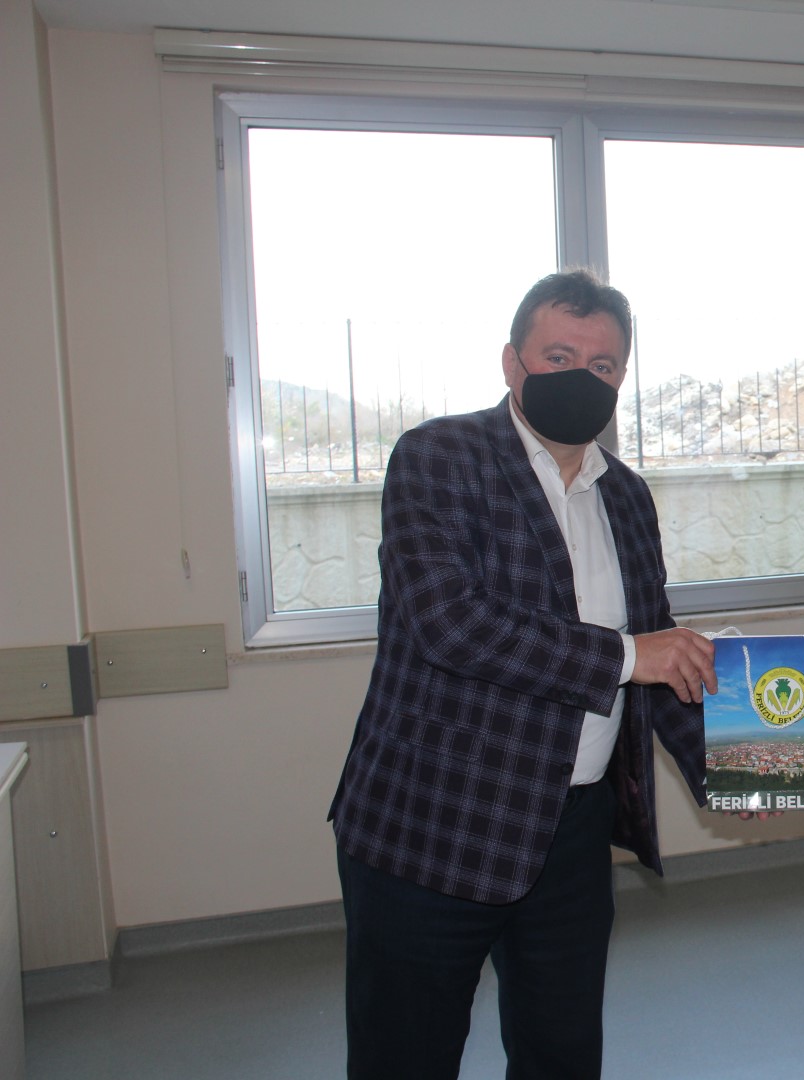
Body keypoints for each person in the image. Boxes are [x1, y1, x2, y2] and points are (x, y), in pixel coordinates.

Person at [328, 270, 718, 1080]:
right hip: (432, 828)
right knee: (405, 1058)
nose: (583, 377)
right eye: (559, 356)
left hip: (570, 837)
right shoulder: (439, 458)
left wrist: (764, 769)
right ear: (513, 363)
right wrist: (630, 654)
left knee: (561, 1057)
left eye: (603, 365)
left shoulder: (627, 497)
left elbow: (661, 662)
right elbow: (451, 624)